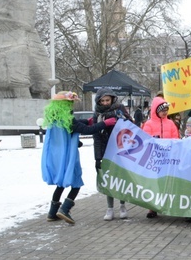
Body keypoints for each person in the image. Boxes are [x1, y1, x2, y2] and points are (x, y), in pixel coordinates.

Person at [41, 91, 116, 225]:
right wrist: (106, 123)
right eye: (70, 103)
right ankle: (64, 209)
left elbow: (74, 126)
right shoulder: (68, 119)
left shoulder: (54, 118)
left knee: (61, 184)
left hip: (56, 157)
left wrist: (86, 121)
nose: (71, 106)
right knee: (76, 183)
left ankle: (52, 213)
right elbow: (86, 130)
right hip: (69, 157)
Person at [92, 87, 132, 221]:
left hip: (120, 148)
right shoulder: (98, 113)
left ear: (112, 99)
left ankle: (122, 205)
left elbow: (131, 126)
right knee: (109, 179)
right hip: (105, 149)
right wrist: (97, 157)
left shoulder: (119, 109)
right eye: (102, 101)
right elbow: (96, 136)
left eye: (107, 100)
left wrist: (123, 119)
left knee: (120, 178)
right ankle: (110, 208)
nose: (105, 103)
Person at [141, 97, 180, 218]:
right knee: (154, 183)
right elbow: (145, 140)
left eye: (166, 110)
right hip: (155, 158)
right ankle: (152, 208)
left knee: (168, 182)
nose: (165, 112)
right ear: (155, 110)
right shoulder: (149, 124)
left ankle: (168, 205)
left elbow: (176, 138)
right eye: (162, 110)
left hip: (168, 158)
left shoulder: (171, 123)